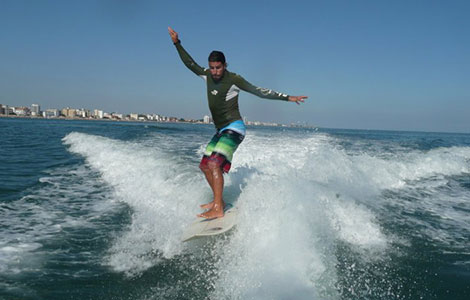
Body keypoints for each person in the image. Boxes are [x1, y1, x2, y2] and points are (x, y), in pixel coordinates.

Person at [168, 27, 307, 219]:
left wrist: (288, 97)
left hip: (235, 128)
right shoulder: (207, 75)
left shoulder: (234, 79)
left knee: (215, 164)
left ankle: (218, 207)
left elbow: (259, 90)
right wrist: (177, 43)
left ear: (225, 65)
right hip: (220, 130)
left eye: (218, 67)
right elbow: (190, 63)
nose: (215, 71)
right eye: (212, 67)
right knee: (204, 165)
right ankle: (219, 200)